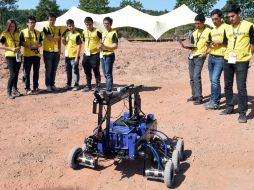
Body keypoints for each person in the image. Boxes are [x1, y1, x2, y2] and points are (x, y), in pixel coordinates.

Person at [220, 4, 254, 123]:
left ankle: (243, 112)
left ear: (239, 14)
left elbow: (252, 43)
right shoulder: (228, 28)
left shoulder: (249, 26)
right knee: (228, 85)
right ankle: (229, 107)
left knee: (241, 86)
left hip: (242, 60)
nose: (231, 19)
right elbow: (225, 42)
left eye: (233, 16)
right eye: (229, 17)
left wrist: (248, 56)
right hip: (228, 59)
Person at [178, 14, 211, 105]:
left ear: (203, 22)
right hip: (191, 56)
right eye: (195, 23)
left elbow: (211, 45)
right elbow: (192, 45)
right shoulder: (194, 32)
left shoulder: (209, 31)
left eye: (198, 23)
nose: (196, 25)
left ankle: (199, 97)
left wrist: (205, 53)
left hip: (200, 56)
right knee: (192, 78)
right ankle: (194, 95)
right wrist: (185, 46)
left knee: (196, 76)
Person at [204, 9, 229, 110]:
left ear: (221, 17)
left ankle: (215, 102)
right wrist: (208, 44)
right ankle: (212, 99)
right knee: (212, 80)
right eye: (212, 19)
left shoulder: (227, 27)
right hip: (211, 57)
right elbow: (211, 43)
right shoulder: (212, 30)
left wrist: (221, 42)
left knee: (215, 80)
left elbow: (230, 41)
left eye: (216, 19)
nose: (214, 21)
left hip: (221, 57)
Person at [20, 15, 43, 95]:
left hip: (36, 56)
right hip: (27, 56)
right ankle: (27, 88)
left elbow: (40, 43)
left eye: (34, 22)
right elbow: (21, 42)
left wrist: (37, 46)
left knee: (36, 72)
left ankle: (36, 87)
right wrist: (27, 46)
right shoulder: (23, 32)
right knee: (27, 72)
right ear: (27, 23)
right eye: (31, 22)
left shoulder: (38, 32)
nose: (32, 24)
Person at [0, 19, 22, 99]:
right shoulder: (4, 34)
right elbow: (1, 46)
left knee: (16, 74)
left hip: (18, 56)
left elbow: (19, 44)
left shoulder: (17, 34)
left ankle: (15, 90)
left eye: (13, 26)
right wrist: (11, 49)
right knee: (12, 74)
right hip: (9, 56)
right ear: (8, 26)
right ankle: (8, 92)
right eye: (10, 26)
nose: (12, 27)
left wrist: (18, 48)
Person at [81, 17, 102, 92]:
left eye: (90, 24)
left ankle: (98, 86)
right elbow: (84, 40)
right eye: (87, 25)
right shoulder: (83, 32)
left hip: (95, 54)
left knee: (96, 69)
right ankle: (88, 86)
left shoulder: (97, 31)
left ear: (92, 23)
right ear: (85, 24)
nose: (88, 26)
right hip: (86, 54)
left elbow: (102, 39)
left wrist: (100, 44)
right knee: (87, 70)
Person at [98, 17, 118, 94]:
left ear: (111, 24)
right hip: (102, 55)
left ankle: (108, 91)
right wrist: (99, 46)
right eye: (104, 23)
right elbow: (101, 43)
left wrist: (105, 46)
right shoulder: (103, 32)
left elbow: (115, 46)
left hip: (109, 55)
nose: (105, 25)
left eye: (107, 23)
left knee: (108, 73)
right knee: (105, 73)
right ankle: (109, 87)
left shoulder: (114, 33)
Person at [42, 13, 61, 92]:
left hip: (56, 52)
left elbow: (60, 40)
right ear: (48, 20)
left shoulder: (58, 28)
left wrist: (60, 50)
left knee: (54, 69)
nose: (52, 21)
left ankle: (52, 84)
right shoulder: (45, 28)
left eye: (53, 20)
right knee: (48, 69)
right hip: (48, 52)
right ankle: (48, 85)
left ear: (55, 20)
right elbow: (50, 38)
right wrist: (57, 37)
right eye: (50, 20)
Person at [62, 19, 82, 91]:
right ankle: (68, 84)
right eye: (69, 26)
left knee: (75, 71)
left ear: (74, 25)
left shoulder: (77, 34)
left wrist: (77, 57)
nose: (71, 27)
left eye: (72, 26)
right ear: (67, 27)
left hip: (74, 56)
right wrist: (63, 40)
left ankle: (76, 85)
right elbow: (65, 44)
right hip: (67, 56)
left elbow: (79, 46)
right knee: (68, 70)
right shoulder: (67, 33)